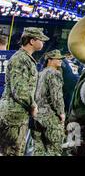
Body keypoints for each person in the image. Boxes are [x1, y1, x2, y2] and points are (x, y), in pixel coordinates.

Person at [0, 27, 49, 155]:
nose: (43, 43)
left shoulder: (25, 58)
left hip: (17, 114)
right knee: (12, 152)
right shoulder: (21, 59)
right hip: (13, 116)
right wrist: (33, 105)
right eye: (40, 40)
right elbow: (20, 90)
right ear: (32, 41)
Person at [32, 50, 66, 156]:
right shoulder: (54, 73)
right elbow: (56, 96)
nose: (60, 60)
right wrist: (61, 113)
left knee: (38, 150)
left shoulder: (40, 73)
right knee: (54, 149)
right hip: (50, 116)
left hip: (37, 116)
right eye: (58, 58)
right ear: (49, 60)